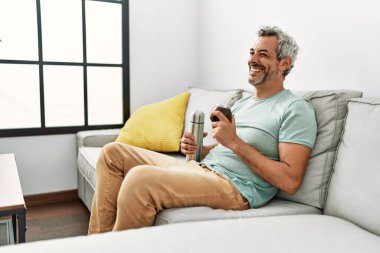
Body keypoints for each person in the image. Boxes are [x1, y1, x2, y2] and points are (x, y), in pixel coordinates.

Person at [88, 25, 317, 234]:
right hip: (203, 168)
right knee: (112, 153)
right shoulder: (243, 102)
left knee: (140, 179)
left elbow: (290, 180)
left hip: (235, 187)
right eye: (252, 52)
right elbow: (224, 150)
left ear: (284, 63)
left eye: (263, 54)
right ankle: (99, 244)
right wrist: (200, 149)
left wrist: (234, 142)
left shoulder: (295, 109)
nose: (252, 59)